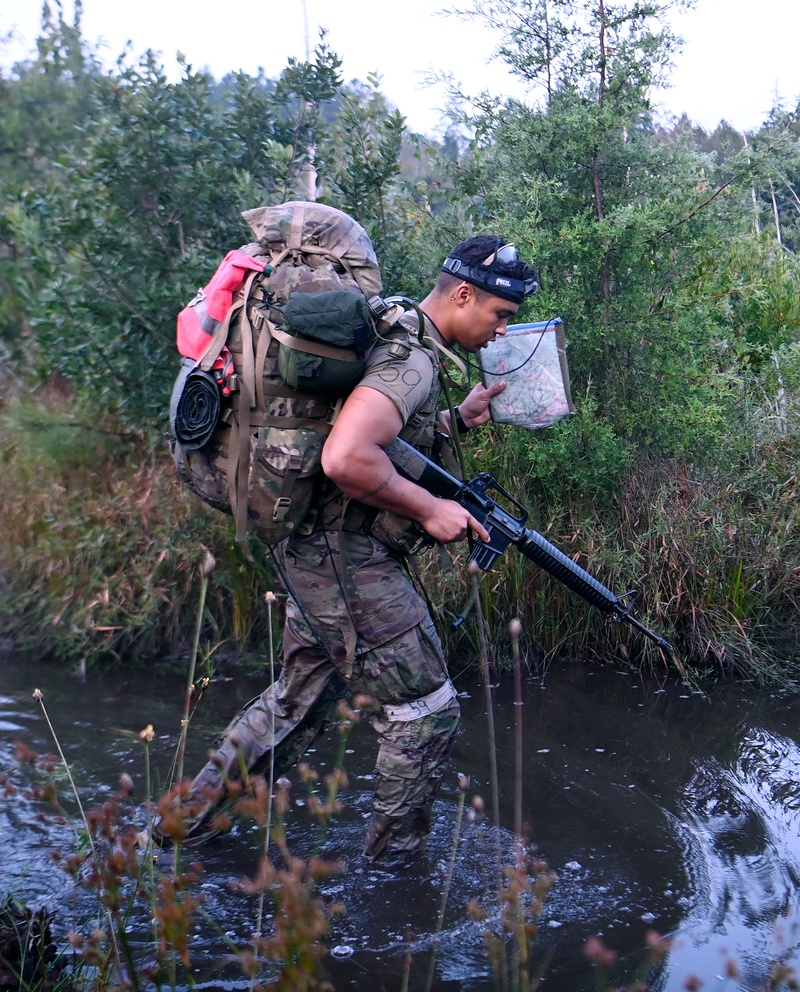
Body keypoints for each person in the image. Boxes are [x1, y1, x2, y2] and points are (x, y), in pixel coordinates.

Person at [155, 235, 538, 860]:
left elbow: (364, 432)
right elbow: (345, 456)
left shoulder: (396, 331)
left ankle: (176, 833)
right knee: (426, 709)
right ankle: (396, 880)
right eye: (499, 315)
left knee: (298, 703)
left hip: (312, 547)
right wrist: (431, 508)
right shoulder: (410, 357)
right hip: (339, 555)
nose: (501, 332)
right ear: (463, 295)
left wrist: (455, 422)